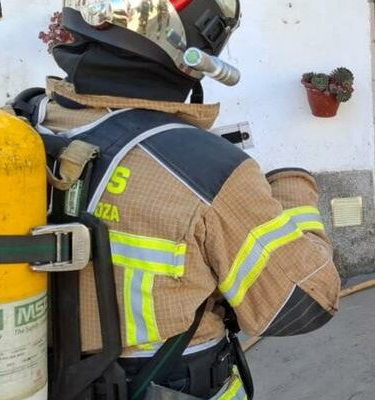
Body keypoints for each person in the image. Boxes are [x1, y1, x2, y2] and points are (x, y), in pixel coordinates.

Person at [19, 1, 342, 399]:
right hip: (167, 384)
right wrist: (293, 189)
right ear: (195, 39)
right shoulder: (206, 170)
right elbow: (306, 301)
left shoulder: (10, 131)